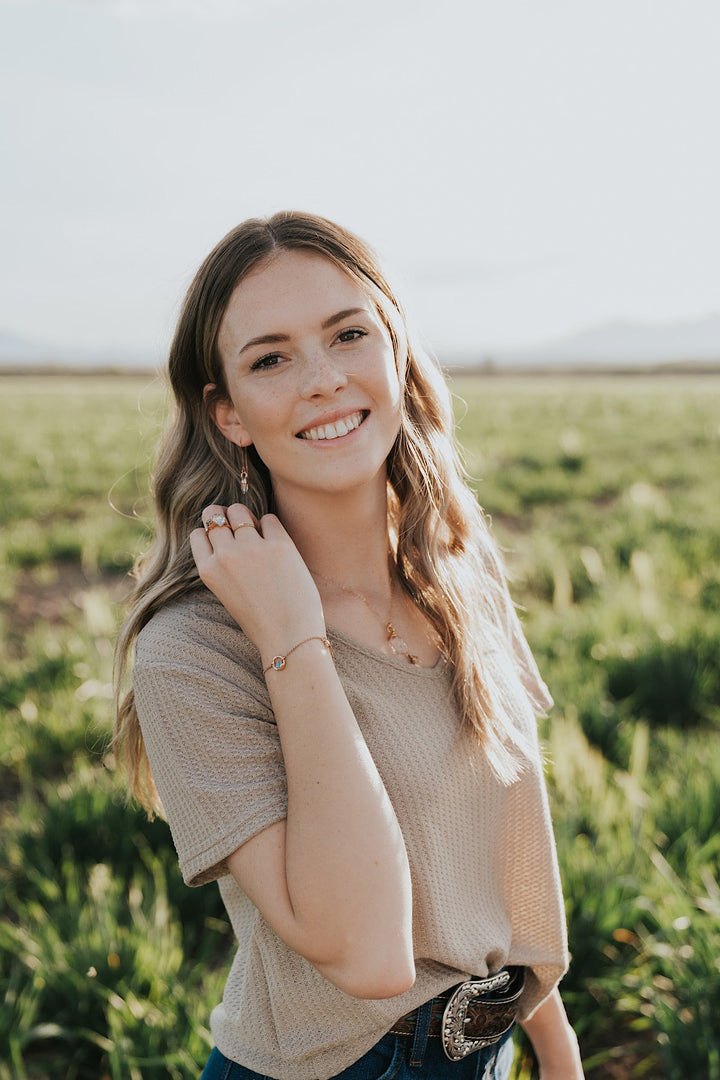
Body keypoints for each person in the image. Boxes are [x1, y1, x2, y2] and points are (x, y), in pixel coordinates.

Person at [114, 211, 584, 1080]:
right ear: (229, 415)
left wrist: (556, 1050)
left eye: (348, 334)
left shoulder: (456, 567)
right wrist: (293, 636)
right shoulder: (194, 652)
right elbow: (366, 953)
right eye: (270, 359)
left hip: (489, 1051)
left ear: (396, 353)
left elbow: (495, 841)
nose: (324, 380)